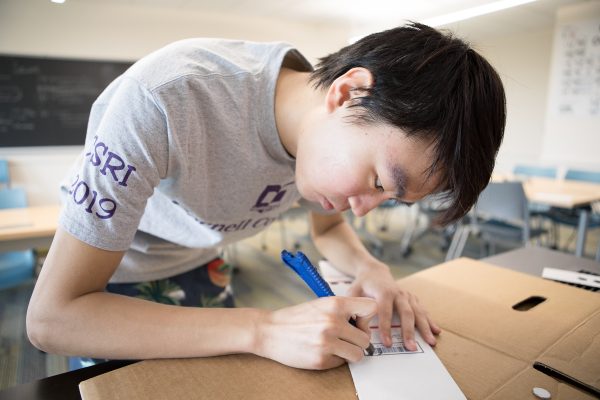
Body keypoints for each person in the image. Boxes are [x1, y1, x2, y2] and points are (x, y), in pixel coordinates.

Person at [26, 22, 505, 370]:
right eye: (379, 182)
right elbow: (53, 319)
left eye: (389, 200)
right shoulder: (166, 97)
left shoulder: (322, 139)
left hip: (204, 264)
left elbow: (329, 227)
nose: (363, 209)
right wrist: (263, 328)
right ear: (349, 93)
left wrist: (370, 269)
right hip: (108, 283)